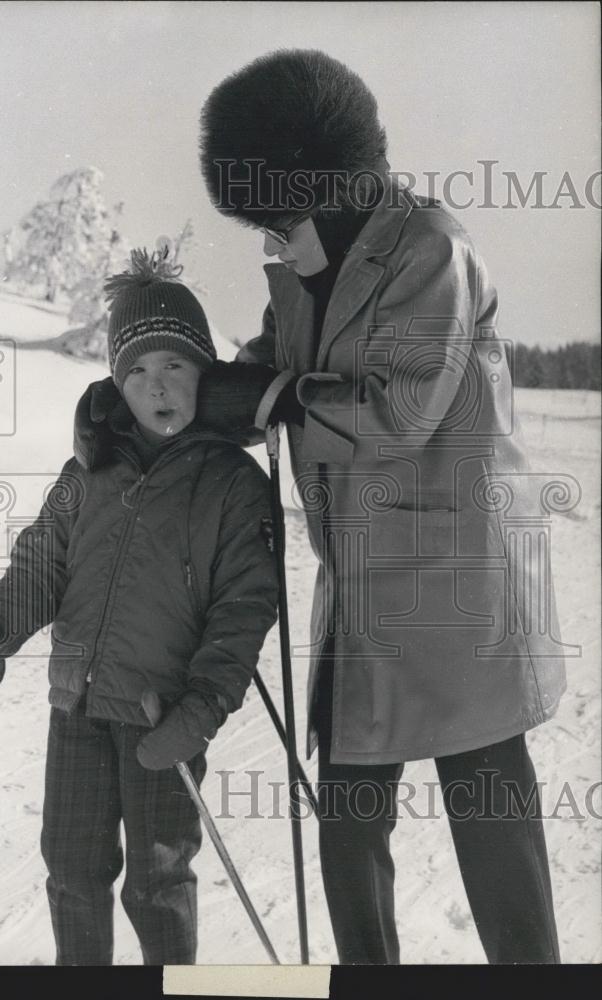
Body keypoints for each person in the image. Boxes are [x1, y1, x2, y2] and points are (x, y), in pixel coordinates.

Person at [197, 49, 567, 964]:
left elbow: (398, 413)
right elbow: (273, 367)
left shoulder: (432, 248)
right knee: (349, 825)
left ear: (326, 179)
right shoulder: (303, 261)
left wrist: (269, 397)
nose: (275, 233)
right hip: (363, 584)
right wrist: (160, 400)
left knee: (490, 815)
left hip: (458, 582)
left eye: (282, 210)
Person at [0, 248, 279, 966]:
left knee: (156, 884)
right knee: (71, 872)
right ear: (115, 385)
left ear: (206, 373)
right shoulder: (89, 470)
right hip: (74, 708)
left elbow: (242, 613)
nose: (155, 386)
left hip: (160, 720)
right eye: (135, 370)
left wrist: (199, 714)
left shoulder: (234, 484)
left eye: (174, 366)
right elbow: (42, 562)